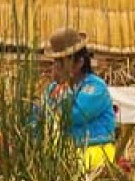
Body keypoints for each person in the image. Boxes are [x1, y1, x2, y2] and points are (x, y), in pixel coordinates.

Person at [34, 28, 117, 171]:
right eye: (55, 61)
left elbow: (74, 116)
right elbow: (41, 113)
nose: (56, 67)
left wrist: (64, 88)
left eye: (61, 62)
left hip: (95, 151)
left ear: (79, 62)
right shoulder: (54, 87)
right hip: (64, 152)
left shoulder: (95, 87)